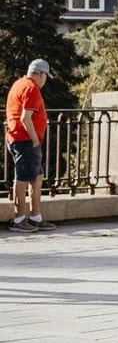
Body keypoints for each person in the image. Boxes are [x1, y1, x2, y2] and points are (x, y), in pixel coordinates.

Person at [6, 60, 53, 233]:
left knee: (37, 176)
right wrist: (34, 139)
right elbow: (25, 118)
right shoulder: (32, 88)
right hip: (25, 140)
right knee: (23, 178)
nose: (45, 80)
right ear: (41, 74)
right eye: (46, 76)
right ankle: (19, 219)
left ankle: (35, 217)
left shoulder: (19, 83)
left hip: (19, 138)